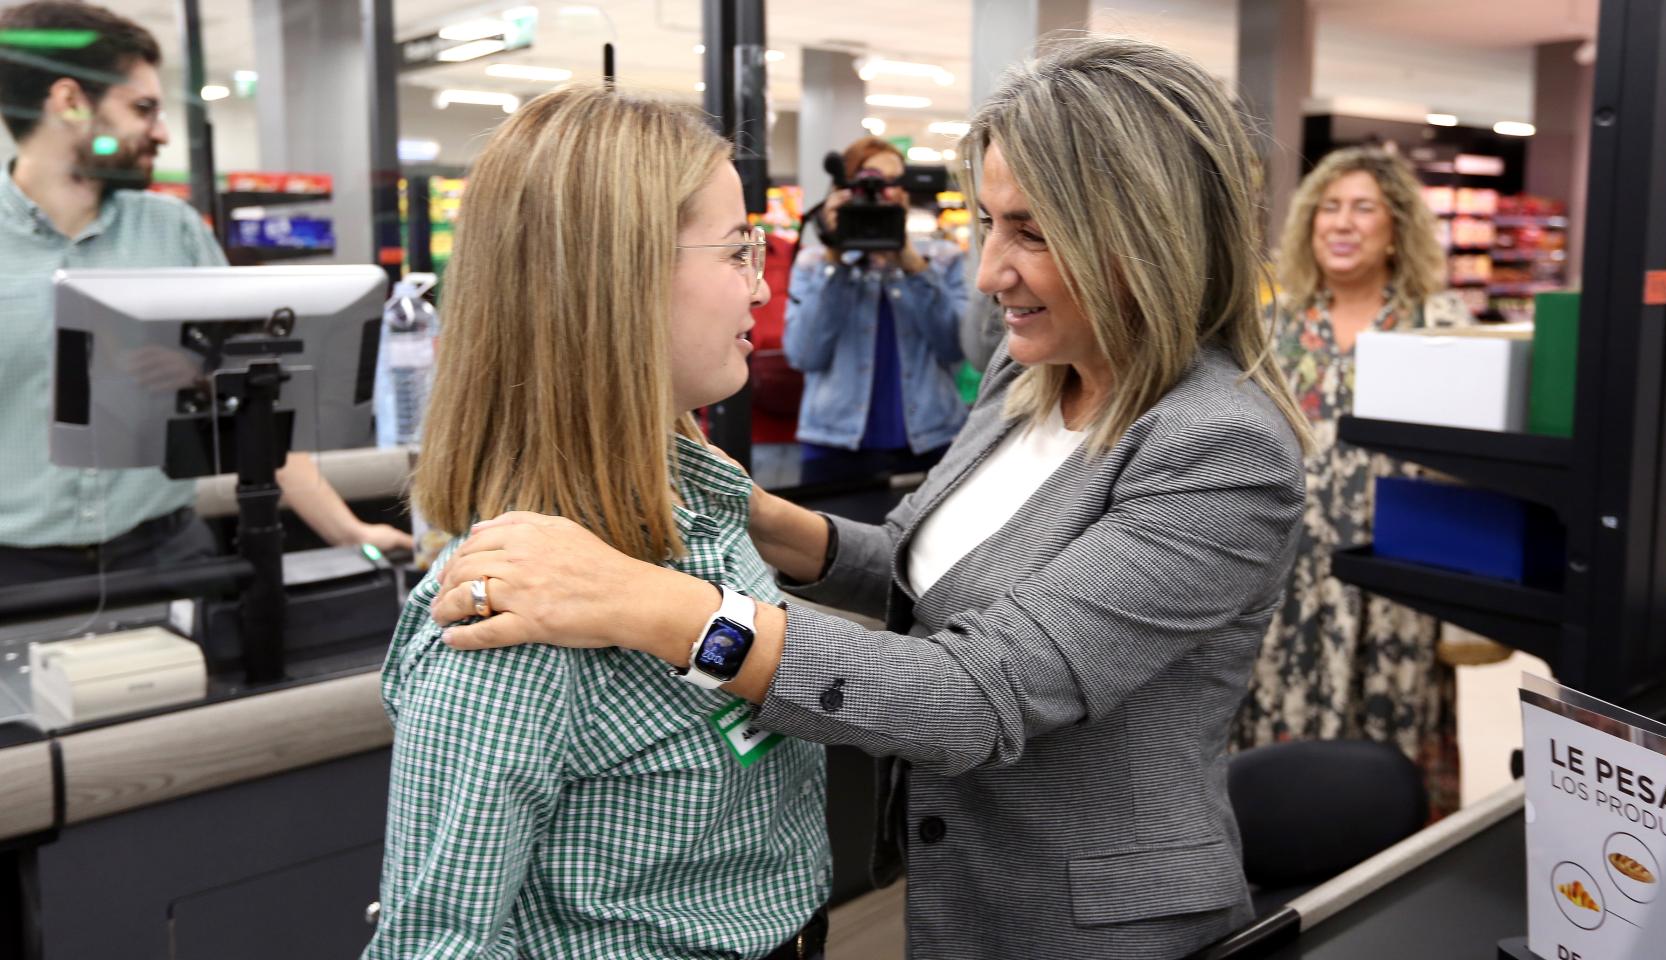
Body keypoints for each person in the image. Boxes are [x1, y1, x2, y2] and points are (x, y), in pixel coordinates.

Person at [428, 36, 1310, 959]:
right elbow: (922, 569)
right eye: (988, 222)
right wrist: (759, 515)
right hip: (961, 881)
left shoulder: (1220, 453)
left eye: (1033, 234)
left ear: (1146, 234)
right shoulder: (1032, 370)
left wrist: (658, 608)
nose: (987, 273)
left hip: (1092, 920)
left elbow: (974, 693)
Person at [363, 86, 830, 959]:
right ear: (621, 279)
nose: (762, 287)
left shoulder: (709, 507)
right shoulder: (512, 627)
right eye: (738, 252)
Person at [0, 0, 409, 587]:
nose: (161, 132)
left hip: (165, 555)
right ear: (69, 103)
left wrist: (350, 531)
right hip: (16, 575)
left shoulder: (175, 232)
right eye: (142, 109)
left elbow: (261, 402)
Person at [1233, 145, 1468, 818]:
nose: (1343, 223)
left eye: (1364, 208)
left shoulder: (1440, 325)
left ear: (1397, 226)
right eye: (1329, 208)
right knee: (1282, 728)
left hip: (1396, 579)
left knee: (1391, 730)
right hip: (1287, 580)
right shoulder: (1273, 326)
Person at [784, 135, 967, 482]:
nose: (882, 192)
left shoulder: (942, 260)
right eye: (870, 182)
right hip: (833, 445)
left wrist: (912, 265)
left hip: (931, 440)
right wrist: (835, 260)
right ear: (843, 190)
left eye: (893, 182)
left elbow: (953, 347)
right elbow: (803, 354)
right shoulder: (813, 264)